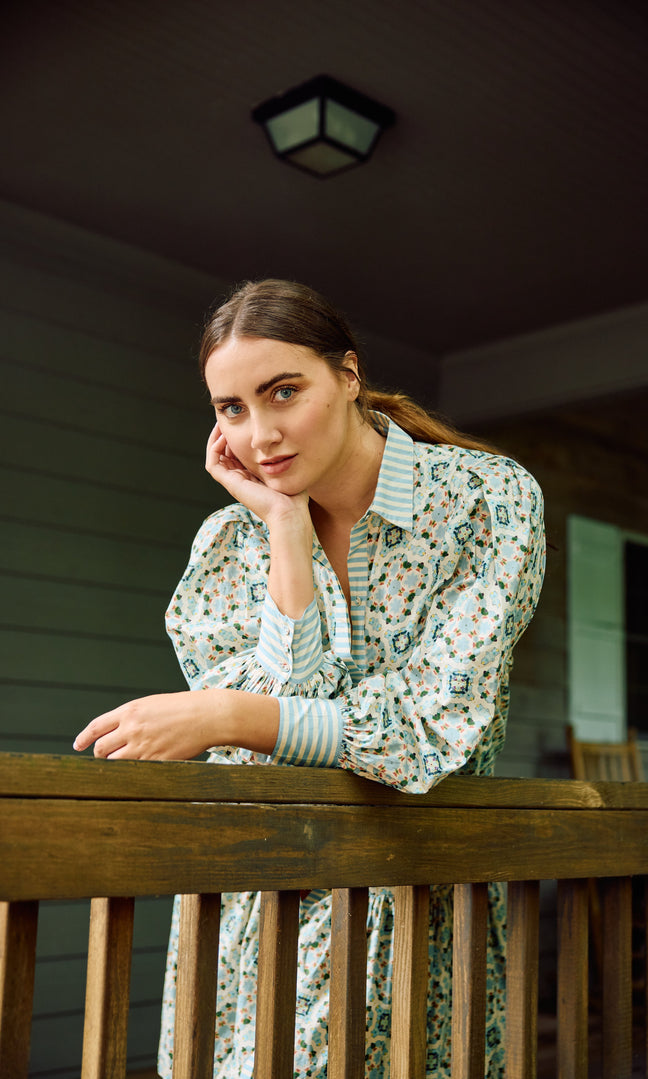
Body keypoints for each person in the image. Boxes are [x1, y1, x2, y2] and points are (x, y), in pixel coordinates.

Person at [74, 279, 545, 1078]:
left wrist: (225, 712)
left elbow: (427, 730)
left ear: (349, 374)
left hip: (418, 911)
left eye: (283, 391)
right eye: (232, 409)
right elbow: (271, 754)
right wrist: (285, 528)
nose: (261, 434)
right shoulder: (231, 541)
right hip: (253, 921)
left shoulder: (486, 502)